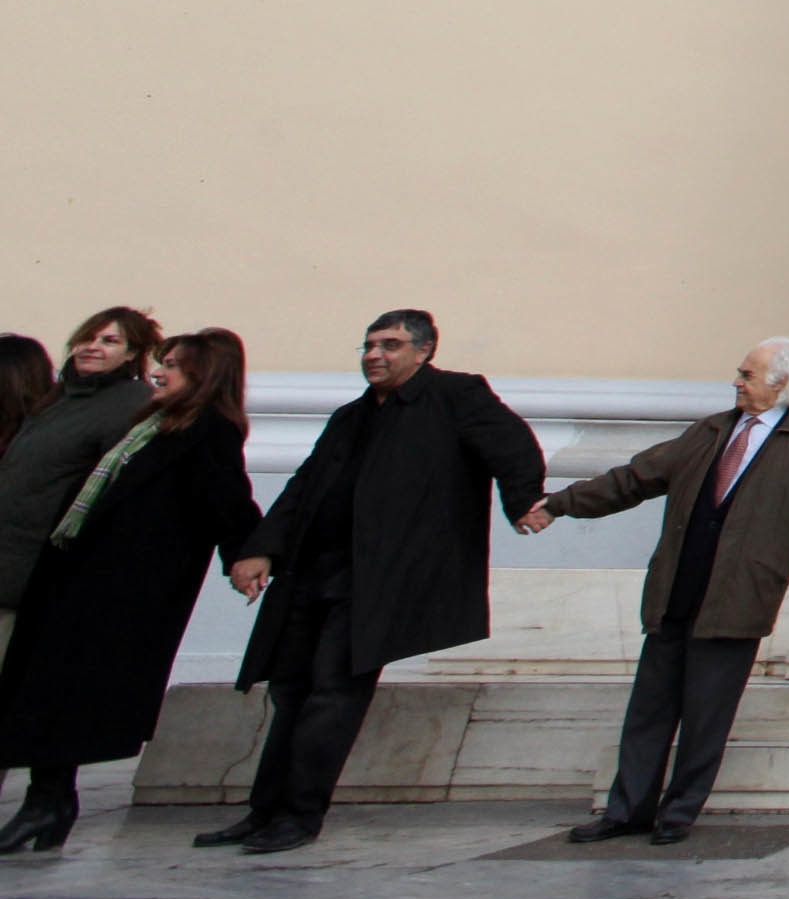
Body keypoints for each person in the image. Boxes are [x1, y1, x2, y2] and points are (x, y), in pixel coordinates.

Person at [211, 309, 544, 854]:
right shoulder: (351, 416)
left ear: (424, 350)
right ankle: (264, 811)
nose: (374, 355)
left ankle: (299, 815)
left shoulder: (457, 396)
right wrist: (260, 550)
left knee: (332, 693)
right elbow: (305, 485)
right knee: (290, 689)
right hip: (311, 572)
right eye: (368, 345)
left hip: (378, 578)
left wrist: (522, 501)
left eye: (390, 344)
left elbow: (513, 447)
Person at [524, 338, 789, 845]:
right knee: (648, 711)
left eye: (747, 375)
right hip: (675, 591)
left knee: (707, 715)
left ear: (780, 383)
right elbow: (635, 477)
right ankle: (627, 811)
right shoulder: (710, 430)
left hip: (737, 598)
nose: (736, 382)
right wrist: (560, 503)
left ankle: (678, 813)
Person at [0, 328, 257, 853]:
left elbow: (229, 500)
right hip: (76, 577)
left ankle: (46, 805)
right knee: (48, 696)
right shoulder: (153, 424)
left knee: (63, 696)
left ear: (204, 375)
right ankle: (48, 802)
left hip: (121, 589)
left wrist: (247, 556)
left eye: (175, 366)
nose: (160, 373)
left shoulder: (209, 430)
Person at [0, 310, 163, 673]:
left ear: (132, 353)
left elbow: (110, 491)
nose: (92, 347)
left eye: (110, 341)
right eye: (87, 338)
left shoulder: (130, 403)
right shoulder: (60, 399)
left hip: (30, 574)